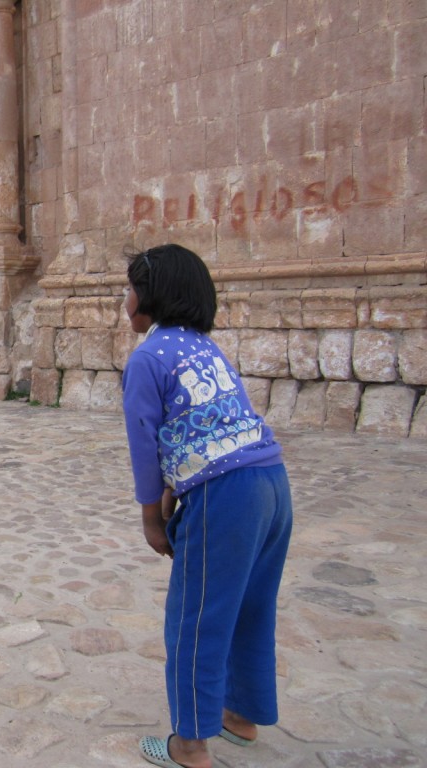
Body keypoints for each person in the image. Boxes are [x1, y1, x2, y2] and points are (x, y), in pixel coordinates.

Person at [120, 245, 292, 768]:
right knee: (248, 606)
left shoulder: (148, 358)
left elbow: (145, 442)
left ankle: (190, 747)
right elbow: (200, 424)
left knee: (193, 619)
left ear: (149, 297)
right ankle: (241, 715)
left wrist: (153, 518)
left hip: (225, 497)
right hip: (271, 482)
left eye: (128, 289)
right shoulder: (203, 347)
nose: (124, 300)